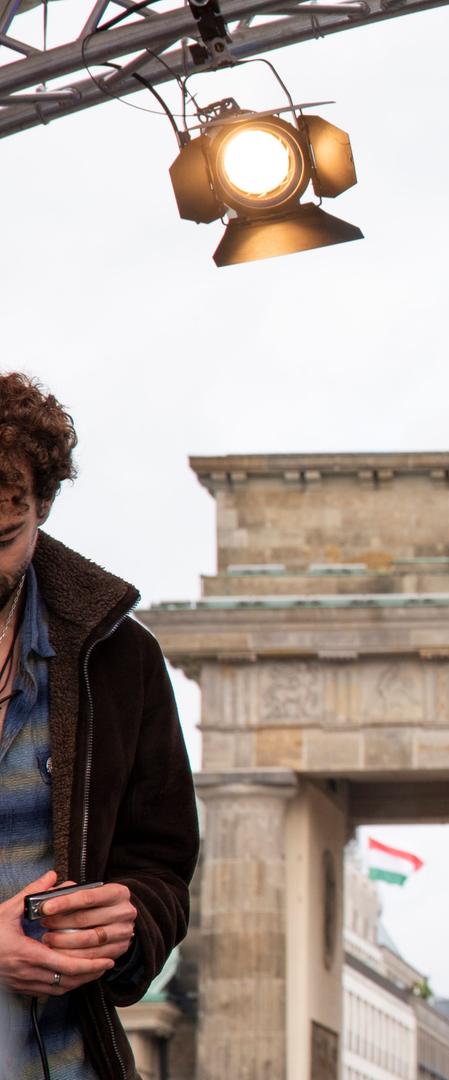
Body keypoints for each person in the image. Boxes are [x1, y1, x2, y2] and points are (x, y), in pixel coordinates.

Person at [0, 374, 197, 1079]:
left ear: (44, 506)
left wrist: (128, 921)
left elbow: (162, 863)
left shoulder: (120, 657)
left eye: (2, 537)